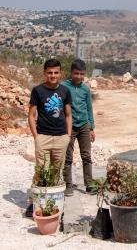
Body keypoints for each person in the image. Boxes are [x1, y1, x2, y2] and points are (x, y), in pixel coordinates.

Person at [26, 59, 72, 216]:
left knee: (57, 172)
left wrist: (68, 135)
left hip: (61, 138)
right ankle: (35, 203)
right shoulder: (38, 91)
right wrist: (36, 137)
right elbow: (31, 116)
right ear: (45, 73)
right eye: (50, 72)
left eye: (56, 72)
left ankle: (55, 204)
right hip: (43, 137)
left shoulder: (65, 91)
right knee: (42, 171)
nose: (53, 75)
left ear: (60, 73)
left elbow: (68, 114)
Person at [62, 59, 96, 196]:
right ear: (71, 73)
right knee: (68, 157)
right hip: (69, 127)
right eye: (76, 73)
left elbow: (89, 108)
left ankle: (89, 184)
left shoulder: (86, 89)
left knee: (86, 156)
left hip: (84, 125)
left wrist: (92, 128)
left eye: (82, 74)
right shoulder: (63, 87)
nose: (79, 77)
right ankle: (68, 185)